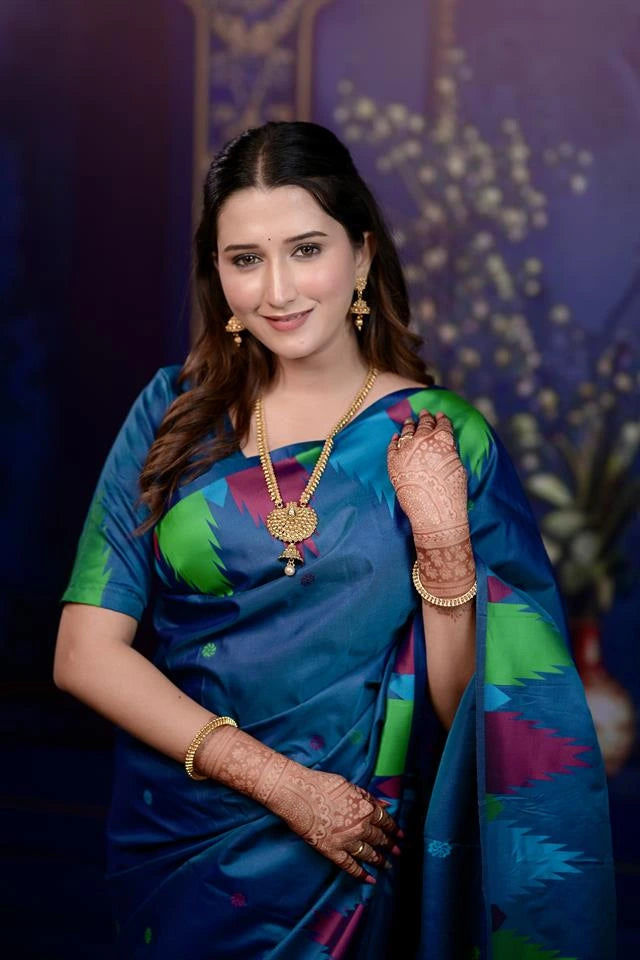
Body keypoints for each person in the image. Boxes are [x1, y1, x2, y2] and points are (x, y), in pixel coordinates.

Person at [55, 121, 614, 959]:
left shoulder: (440, 437)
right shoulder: (172, 416)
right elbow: (84, 653)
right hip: (185, 849)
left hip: (355, 858)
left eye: (306, 249)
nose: (277, 290)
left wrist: (444, 548)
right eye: (246, 259)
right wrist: (281, 784)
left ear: (361, 255)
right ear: (218, 272)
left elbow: (470, 713)